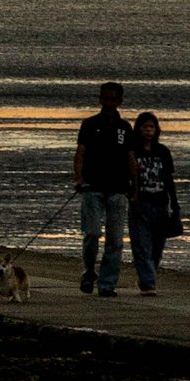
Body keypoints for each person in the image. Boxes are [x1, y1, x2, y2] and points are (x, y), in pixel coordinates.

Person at [73, 81, 133, 297]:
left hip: (118, 189)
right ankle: (89, 273)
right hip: (92, 187)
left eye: (113, 99)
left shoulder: (125, 128)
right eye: (105, 98)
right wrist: (79, 178)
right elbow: (80, 153)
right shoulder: (89, 124)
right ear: (100, 99)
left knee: (115, 241)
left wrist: (134, 187)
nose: (109, 102)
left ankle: (107, 283)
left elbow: (130, 157)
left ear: (120, 101)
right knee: (91, 233)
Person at [127, 113, 184, 296]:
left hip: (161, 204)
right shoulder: (132, 151)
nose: (148, 131)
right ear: (139, 129)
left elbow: (168, 179)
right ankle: (148, 282)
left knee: (157, 247)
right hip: (140, 204)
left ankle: (147, 277)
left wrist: (175, 204)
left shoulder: (163, 152)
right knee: (141, 245)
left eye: (151, 127)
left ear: (156, 130)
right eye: (145, 127)